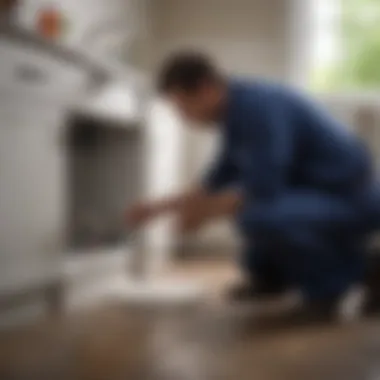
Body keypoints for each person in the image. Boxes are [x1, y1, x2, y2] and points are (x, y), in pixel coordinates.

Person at [126, 52, 380, 320]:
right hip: (321, 195)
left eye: (182, 106)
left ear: (205, 88)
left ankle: (351, 278)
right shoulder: (236, 111)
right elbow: (216, 180)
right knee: (257, 213)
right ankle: (272, 280)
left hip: (351, 199)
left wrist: (203, 213)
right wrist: (157, 209)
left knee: (260, 215)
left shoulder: (258, 107)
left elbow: (263, 187)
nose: (183, 117)